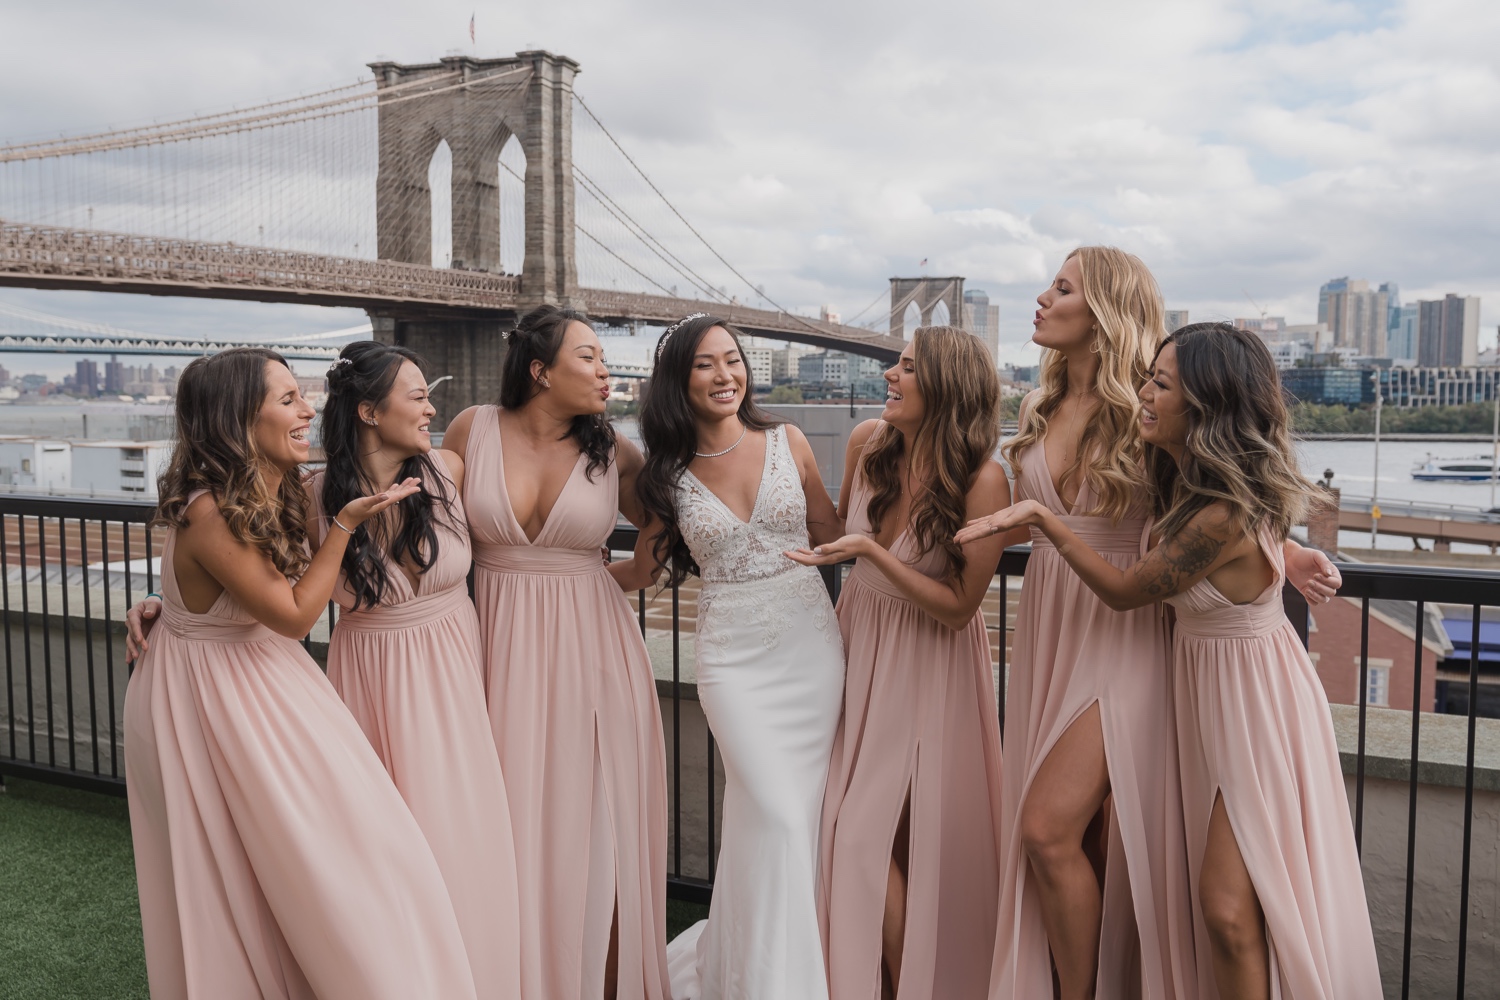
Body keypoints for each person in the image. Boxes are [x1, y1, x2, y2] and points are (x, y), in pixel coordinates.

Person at [960, 322, 1381, 999]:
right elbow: (1259, 529)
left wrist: (1044, 521)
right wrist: (1293, 553)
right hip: (1200, 697)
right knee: (1221, 905)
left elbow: (1128, 590)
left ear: (1208, 404)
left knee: (1227, 907)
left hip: (1254, 708)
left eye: (1161, 384)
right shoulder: (1188, 481)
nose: (1145, 395)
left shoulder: (1220, 513)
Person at [123, 347, 479, 1000]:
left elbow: (226, 595)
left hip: (259, 683)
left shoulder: (269, 489)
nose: (307, 409)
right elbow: (290, 613)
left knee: (334, 859)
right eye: (287, 400)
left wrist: (165, 607)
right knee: (240, 877)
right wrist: (344, 524)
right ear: (237, 419)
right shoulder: (211, 510)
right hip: (217, 700)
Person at [439, 304, 670, 1000]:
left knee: (599, 829)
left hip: (595, 648)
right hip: (494, 649)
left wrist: (618, 577)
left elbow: (661, 526)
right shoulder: (469, 430)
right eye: (590, 358)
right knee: (504, 824)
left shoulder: (614, 450)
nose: (606, 372)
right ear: (540, 370)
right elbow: (400, 509)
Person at [612, 313, 846, 1000]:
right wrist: (552, 577)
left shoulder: (788, 440)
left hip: (809, 646)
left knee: (785, 818)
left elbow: (833, 534)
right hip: (732, 660)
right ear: (679, 382)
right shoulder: (665, 473)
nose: (727, 374)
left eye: (734, 360)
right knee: (774, 812)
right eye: (707, 364)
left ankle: (757, 967)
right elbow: (644, 568)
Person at [787, 325, 1009, 1000]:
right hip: (854, 643)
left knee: (896, 841)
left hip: (928, 661)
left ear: (945, 385)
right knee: (848, 828)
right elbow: (828, 533)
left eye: (907, 368)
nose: (891, 376)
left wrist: (875, 555)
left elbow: (959, 606)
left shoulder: (983, 480)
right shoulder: (867, 443)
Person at [311, 341, 522, 1000]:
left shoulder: (447, 470)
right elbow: (250, 576)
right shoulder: (310, 493)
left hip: (453, 674)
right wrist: (159, 609)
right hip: (366, 676)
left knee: (459, 838)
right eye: (419, 395)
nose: (434, 408)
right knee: (382, 848)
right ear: (370, 411)